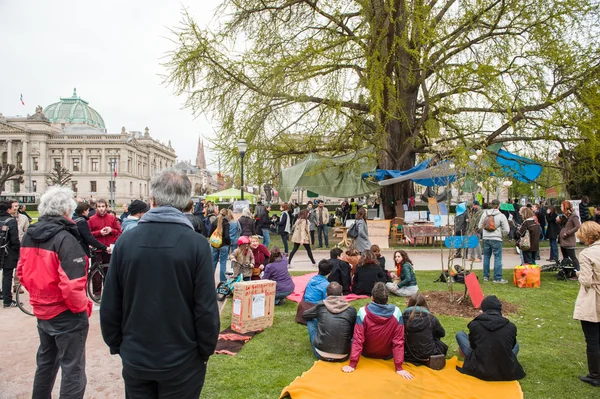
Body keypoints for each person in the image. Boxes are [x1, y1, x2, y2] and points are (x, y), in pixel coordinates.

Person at [100, 169, 219, 399]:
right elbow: (206, 308)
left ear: (152, 199)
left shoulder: (127, 241)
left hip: (161, 357)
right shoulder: (195, 244)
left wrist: (119, 345)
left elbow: (110, 303)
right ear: (185, 203)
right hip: (169, 357)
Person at [17, 186, 91, 397]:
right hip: (65, 311)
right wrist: (80, 309)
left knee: (46, 364)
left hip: (43, 307)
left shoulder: (30, 235)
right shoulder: (65, 239)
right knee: (73, 369)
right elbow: (72, 283)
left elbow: (22, 272)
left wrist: (39, 297)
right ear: (67, 210)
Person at [342, 282, 413, 380]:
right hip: (386, 354)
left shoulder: (363, 312)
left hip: (368, 353)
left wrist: (352, 364)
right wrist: (399, 367)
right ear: (387, 299)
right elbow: (398, 340)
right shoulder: (396, 312)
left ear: (372, 298)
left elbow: (358, 339)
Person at [456, 295, 525, 381]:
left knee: (460, 334)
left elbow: (473, 346)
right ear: (499, 309)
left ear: (484, 308)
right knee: (516, 345)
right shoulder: (511, 327)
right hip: (504, 366)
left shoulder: (475, 325)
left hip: (480, 365)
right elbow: (511, 346)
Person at [573, 221, 600, 387]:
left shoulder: (587, 254)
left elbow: (586, 280)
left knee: (592, 339)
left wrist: (577, 273)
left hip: (593, 297)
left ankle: (595, 374)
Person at [302, 282, 357, 361]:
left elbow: (305, 315)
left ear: (326, 294)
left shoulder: (321, 306)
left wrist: (318, 317)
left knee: (310, 319)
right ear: (341, 295)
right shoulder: (351, 310)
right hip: (344, 354)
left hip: (321, 354)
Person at [403, 293, 448, 366]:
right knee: (437, 338)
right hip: (429, 354)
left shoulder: (403, 317)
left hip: (409, 354)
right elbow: (442, 333)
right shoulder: (431, 318)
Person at [478, 199, 510, 283]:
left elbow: (479, 226)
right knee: (498, 258)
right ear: (498, 205)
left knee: (486, 257)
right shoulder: (501, 215)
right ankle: (497, 278)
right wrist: (502, 235)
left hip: (486, 238)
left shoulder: (485, 213)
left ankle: (486, 276)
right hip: (496, 238)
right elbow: (506, 229)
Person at [88, 198, 121, 264]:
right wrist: (99, 232)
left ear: (106, 207)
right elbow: (88, 234)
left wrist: (111, 230)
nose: (101, 209)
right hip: (97, 250)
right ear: (96, 208)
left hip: (109, 249)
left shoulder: (112, 218)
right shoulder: (91, 219)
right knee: (97, 272)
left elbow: (118, 232)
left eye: (103, 206)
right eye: (99, 206)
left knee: (109, 270)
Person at [0, 200, 20, 307]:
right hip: (8, 251)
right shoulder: (11, 221)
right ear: (8, 209)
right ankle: (7, 300)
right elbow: (14, 239)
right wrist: (18, 249)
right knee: (7, 275)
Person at [558, 200, 581, 279]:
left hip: (569, 240)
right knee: (565, 258)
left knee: (573, 257)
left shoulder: (573, 216)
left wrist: (568, 233)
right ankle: (567, 272)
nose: (560, 207)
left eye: (561, 206)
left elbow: (577, 226)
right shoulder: (566, 216)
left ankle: (577, 272)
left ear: (565, 207)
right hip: (563, 241)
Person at [210, 208, 231, 283]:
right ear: (226, 214)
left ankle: (209, 279)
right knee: (223, 263)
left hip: (214, 245)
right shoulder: (226, 223)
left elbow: (210, 233)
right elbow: (226, 236)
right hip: (224, 245)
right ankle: (222, 280)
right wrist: (229, 243)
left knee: (213, 262)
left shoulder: (214, 222)